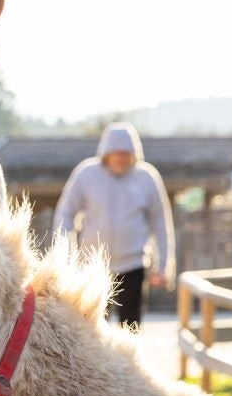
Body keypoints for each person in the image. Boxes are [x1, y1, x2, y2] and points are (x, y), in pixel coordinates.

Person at [53, 121, 175, 328]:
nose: (121, 158)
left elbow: (161, 223)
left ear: (134, 154)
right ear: (106, 153)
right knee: (91, 328)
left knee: (131, 327)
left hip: (133, 265)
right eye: (116, 153)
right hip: (93, 265)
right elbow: (65, 213)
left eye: (126, 153)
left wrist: (164, 266)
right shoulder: (86, 174)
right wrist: (64, 255)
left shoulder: (147, 177)